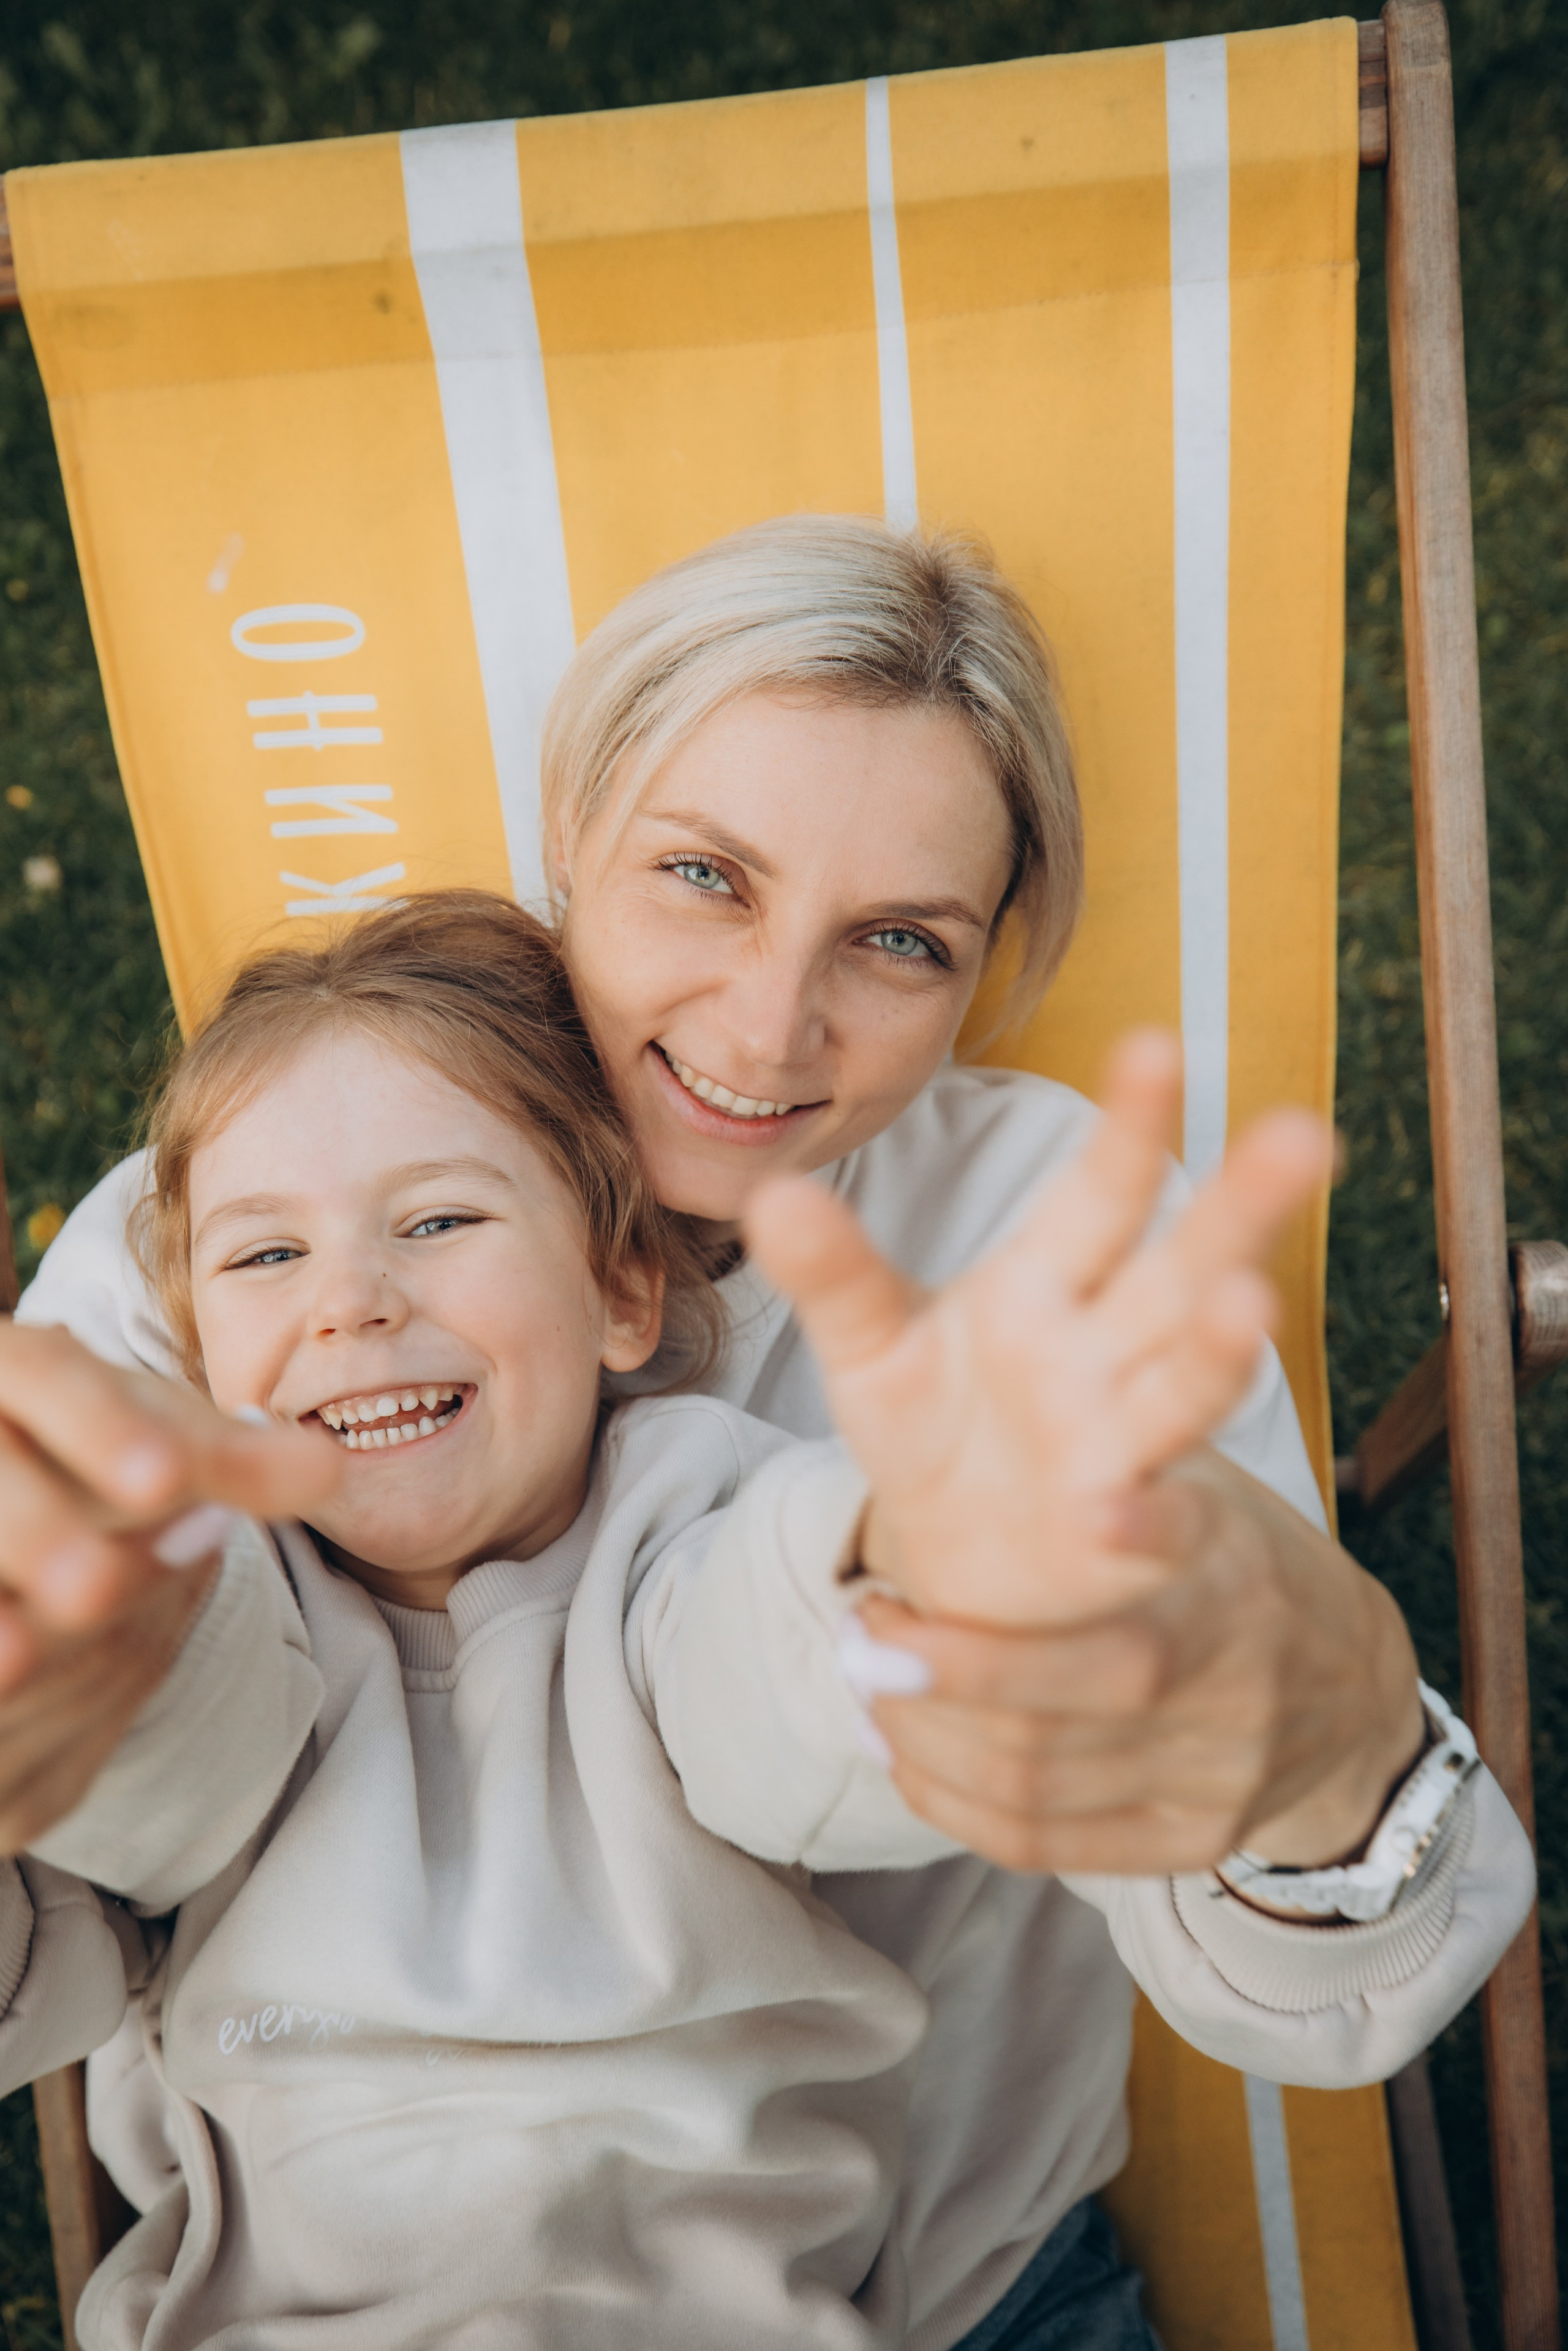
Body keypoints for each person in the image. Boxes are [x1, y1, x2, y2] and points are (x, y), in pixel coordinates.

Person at [0, 518, 1532, 2343]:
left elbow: (1300, 1979)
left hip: (945, 2294)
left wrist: (1321, 1756)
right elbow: (94, 1892)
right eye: (706, 878)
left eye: (899, 940)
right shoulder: (228, 1229)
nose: (769, 1020)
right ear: (573, 840)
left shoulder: (1043, 1225)